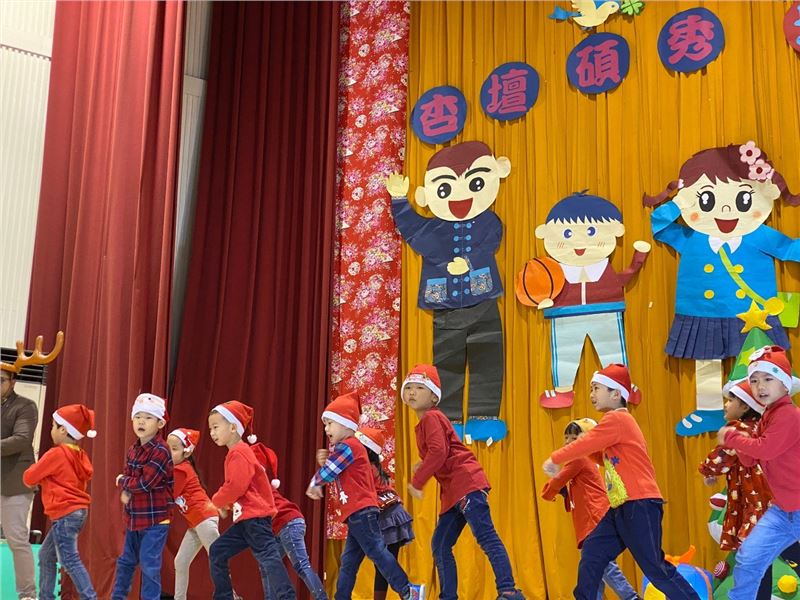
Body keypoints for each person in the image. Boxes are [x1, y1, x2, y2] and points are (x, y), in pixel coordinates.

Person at [644, 142, 800, 434]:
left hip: (752, 312)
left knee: (757, 363)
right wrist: (679, 202)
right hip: (702, 311)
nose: (726, 209)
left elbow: (791, 249)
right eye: (706, 200)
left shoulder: (759, 235)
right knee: (707, 360)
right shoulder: (692, 237)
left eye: (742, 199)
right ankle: (709, 410)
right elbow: (660, 226)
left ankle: (761, 413)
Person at [543, 364, 700, 600]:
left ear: (616, 394)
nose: (592, 394)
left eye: (596, 388)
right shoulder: (616, 424)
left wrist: (557, 458)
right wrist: (585, 448)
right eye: (591, 389)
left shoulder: (617, 419)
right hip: (620, 507)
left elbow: (588, 443)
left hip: (640, 504)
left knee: (654, 568)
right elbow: (603, 457)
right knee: (592, 553)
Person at [402, 364, 524, 600]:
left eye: (420, 387)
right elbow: (441, 450)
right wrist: (423, 462)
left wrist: (418, 481)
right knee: (440, 544)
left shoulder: (432, 417)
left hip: (466, 484)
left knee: (486, 537)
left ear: (434, 396)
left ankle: (508, 591)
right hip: (453, 492)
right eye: (408, 388)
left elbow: (439, 452)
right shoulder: (427, 422)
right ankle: (448, 595)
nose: (412, 392)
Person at [306, 392, 424, 600]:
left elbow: (331, 469)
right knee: (349, 562)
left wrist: (316, 483)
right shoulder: (346, 449)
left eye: (330, 424)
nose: (326, 429)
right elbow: (335, 468)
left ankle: (408, 590)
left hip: (362, 511)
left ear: (346, 425)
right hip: (356, 514)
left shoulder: (349, 446)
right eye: (325, 425)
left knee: (376, 551)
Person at [718, 346, 800, 599]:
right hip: (783, 511)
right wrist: (741, 439)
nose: (760, 386)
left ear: (785, 384)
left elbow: (766, 449)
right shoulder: (768, 417)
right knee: (748, 557)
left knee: (750, 559)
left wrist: (732, 437)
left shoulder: (788, 415)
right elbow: (751, 458)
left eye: (767, 379)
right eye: (754, 380)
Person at [541, 418, 640, 600]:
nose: (568, 442)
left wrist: (549, 489)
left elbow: (556, 483)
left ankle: (631, 597)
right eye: (566, 437)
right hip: (592, 518)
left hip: (594, 518)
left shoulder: (579, 458)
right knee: (594, 566)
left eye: (574, 438)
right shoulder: (582, 459)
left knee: (602, 563)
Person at [207, 400, 296, 600]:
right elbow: (242, 488)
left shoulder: (239, 452)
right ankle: (224, 596)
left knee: (268, 558)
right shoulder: (236, 452)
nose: (212, 433)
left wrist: (217, 500)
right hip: (247, 520)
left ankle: (287, 597)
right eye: (210, 428)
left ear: (232, 427)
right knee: (218, 551)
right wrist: (227, 504)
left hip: (255, 519)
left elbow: (236, 486)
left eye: (215, 427)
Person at [23, 404, 97, 600]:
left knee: (70, 560)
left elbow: (29, 477)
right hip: (77, 512)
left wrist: (38, 478)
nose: (51, 430)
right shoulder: (81, 456)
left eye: (53, 426)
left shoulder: (56, 453)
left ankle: (90, 597)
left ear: (63, 429)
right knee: (46, 556)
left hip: (65, 513)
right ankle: (46, 596)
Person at [111, 393, 174, 600]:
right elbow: (130, 476)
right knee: (126, 562)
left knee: (149, 564)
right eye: (137, 417)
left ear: (160, 423)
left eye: (148, 418)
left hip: (156, 520)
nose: (141, 421)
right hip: (134, 519)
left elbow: (145, 483)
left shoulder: (161, 450)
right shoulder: (133, 449)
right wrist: (126, 489)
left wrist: (123, 482)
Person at [251, 442, 327, 600]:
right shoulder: (257, 483)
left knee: (301, 565)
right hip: (286, 526)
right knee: (267, 564)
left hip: (288, 524)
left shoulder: (257, 484)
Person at [167, 427, 219, 600]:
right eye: (167, 448)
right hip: (196, 523)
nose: (169, 452)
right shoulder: (178, 469)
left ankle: (230, 596)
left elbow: (167, 495)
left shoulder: (181, 470)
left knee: (217, 560)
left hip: (204, 519)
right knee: (181, 561)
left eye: (174, 449)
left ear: (187, 452)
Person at [1, 366, 39, 600]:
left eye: (1, 380)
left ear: (12, 382)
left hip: (15, 482)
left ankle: (28, 594)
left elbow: (22, 439)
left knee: (16, 539)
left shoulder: (25, 406)